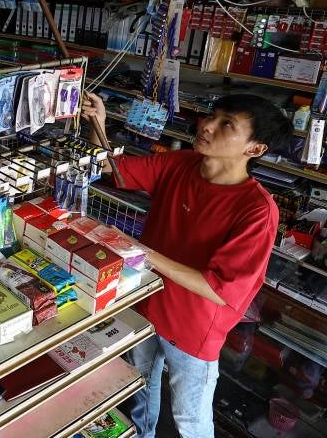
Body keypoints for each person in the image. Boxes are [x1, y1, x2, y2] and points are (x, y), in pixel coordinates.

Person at [81, 93, 292, 438]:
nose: (207, 125)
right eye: (213, 115)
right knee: (138, 392)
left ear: (255, 149)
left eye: (227, 125)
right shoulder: (181, 163)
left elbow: (219, 288)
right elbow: (111, 168)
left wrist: (140, 252)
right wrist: (97, 124)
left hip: (193, 329)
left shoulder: (258, 210)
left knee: (190, 420)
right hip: (146, 305)